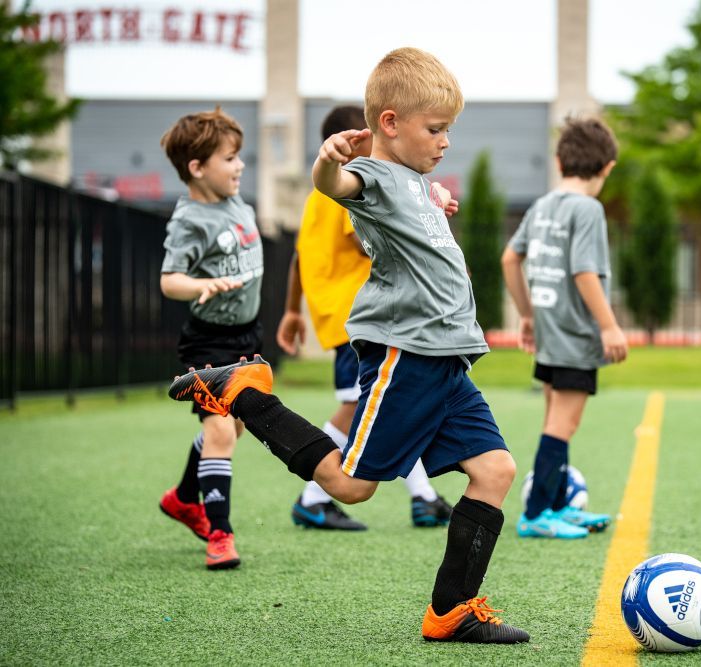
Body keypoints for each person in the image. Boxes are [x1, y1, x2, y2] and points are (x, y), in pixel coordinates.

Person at [168, 47, 529, 644]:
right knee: (352, 486)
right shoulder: (376, 176)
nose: (445, 142)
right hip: (406, 357)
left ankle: (451, 611)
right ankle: (244, 392)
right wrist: (327, 162)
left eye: (449, 130)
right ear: (390, 123)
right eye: (435, 129)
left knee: (495, 470)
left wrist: (432, 200)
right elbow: (339, 184)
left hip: (449, 367)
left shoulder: (415, 183)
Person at [277, 104, 452, 530]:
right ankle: (313, 497)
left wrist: (290, 310)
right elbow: (371, 238)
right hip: (361, 316)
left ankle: (424, 497)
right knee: (359, 406)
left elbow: (300, 258)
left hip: (339, 315)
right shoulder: (356, 187)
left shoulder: (315, 199)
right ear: (358, 140)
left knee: (390, 400)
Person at [500, 117, 628, 539]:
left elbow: (509, 259)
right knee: (563, 424)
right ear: (608, 167)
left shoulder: (543, 205)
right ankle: (537, 514)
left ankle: (556, 505)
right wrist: (609, 327)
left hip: (549, 331)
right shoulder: (588, 209)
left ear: (558, 161)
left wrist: (528, 315)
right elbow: (585, 272)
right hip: (574, 336)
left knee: (555, 419)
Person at [158, 107, 263, 569]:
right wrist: (200, 286)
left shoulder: (239, 202)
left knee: (232, 430)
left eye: (239, 156)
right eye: (229, 158)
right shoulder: (189, 221)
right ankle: (220, 533)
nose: (239, 166)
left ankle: (183, 497)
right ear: (197, 168)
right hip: (208, 344)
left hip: (247, 335)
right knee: (220, 430)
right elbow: (169, 280)